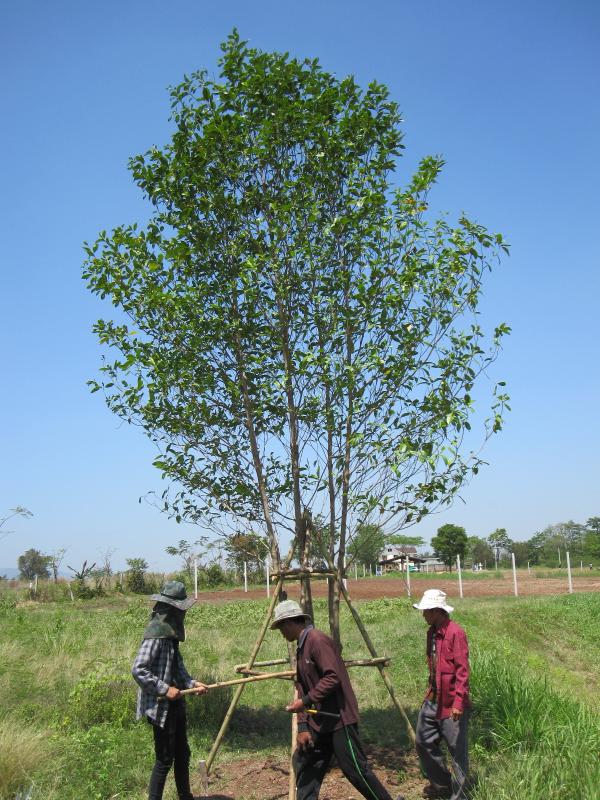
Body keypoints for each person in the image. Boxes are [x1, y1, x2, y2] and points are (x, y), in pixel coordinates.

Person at [271, 599, 403, 800]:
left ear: (290, 622)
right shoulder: (301, 646)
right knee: (306, 763)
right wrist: (304, 726)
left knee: (355, 770)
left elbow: (333, 677)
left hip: (340, 718)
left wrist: (306, 701)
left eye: (281, 626)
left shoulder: (317, 640)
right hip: (320, 720)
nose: (281, 632)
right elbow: (301, 685)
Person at [132, 580, 208, 800]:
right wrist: (165, 690)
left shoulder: (170, 637)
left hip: (176, 703)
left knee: (183, 754)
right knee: (164, 759)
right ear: (172, 610)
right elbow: (138, 670)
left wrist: (193, 684)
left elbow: (178, 668)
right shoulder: (155, 637)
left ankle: (186, 796)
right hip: (161, 706)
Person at [413, 589, 470, 800]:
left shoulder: (456, 633)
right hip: (433, 700)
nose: (423, 615)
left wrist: (458, 702)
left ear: (437, 611)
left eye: (426, 611)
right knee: (423, 741)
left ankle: (460, 795)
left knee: (457, 753)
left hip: (452, 702)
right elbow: (434, 668)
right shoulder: (431, 633)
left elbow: (462, 671)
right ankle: (444, 783)